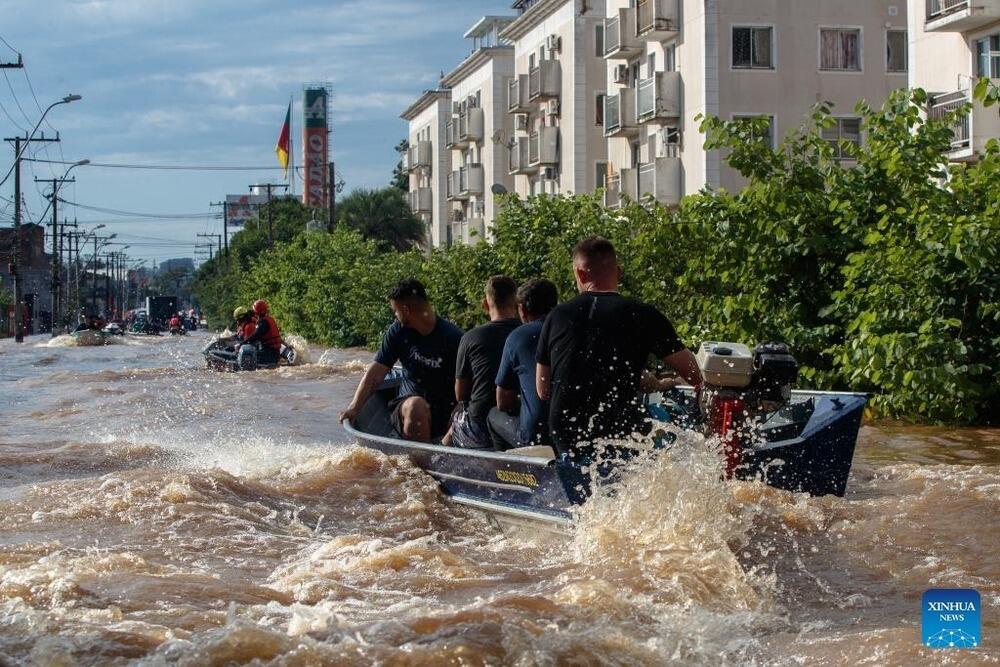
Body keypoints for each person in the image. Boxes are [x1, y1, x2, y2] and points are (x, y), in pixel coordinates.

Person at [536, 236, 702, 459]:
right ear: (619, 272)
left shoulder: (557, 316)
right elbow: (695, 374)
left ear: (580, 273)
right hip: (619, 425)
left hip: (566, 428)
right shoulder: (643, 315)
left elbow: (543, 388)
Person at [340, 278, 463, 443]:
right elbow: (376, 374)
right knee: (416, 406)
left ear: (406, 310)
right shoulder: (398, 332)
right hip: (408, 407)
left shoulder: (454, 338)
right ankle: (418, 461)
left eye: (395, 311)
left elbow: (467, 390)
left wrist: (455, 420)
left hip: (445, 412)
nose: (395, 316)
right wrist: (354, 408)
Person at [446, 276, 522, 449]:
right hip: (518, 422)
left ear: (485, 305)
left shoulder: (471, 337)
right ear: (517, 305)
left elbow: (461, 394)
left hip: (480, 427)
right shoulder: (527, 333)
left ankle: (436, 462)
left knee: (456, 419)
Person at [488, 278, 560, 451]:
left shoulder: (517, 337)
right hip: (570, 429)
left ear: (522, 309)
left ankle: (509, 469)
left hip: (537, 436)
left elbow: (503, 402)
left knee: (493, 415)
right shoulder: (569, 330)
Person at [244, 299, 283, 365]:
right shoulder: (270, 319)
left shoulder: (263, 323)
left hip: (268, 355)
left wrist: (242, 343)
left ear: (256, 311)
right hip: (276, 354)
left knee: (248, 359)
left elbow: (255, 336)